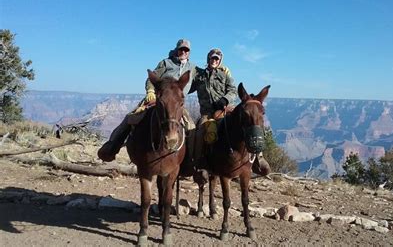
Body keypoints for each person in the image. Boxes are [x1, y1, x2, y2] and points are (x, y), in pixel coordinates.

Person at [97, 39, 197, 163]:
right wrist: (150, 91)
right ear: (177, 50)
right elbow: (151, 78)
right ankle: (112, 147)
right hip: (159, 99)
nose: (183, 52)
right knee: (132, 117)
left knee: (191, 127)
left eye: (186, 50)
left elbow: (206, 75)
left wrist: (221, 69)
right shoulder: (166, 63)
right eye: (181, 49)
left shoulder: (193, 68)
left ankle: (189, 161)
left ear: (189, 52)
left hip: (177, 103)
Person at [190, 48, 270, 176]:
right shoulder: (199, 77)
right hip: (208, 113)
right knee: (200, 132)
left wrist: (225, 99)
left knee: (250, 124)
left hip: (226, 109)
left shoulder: (224, 75)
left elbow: (233, 90)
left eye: (217, 59)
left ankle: (258, 157)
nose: (214, 61)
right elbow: (187, 87)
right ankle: (201, 163)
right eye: (212, 58)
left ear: (220, 61)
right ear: (208, 59)